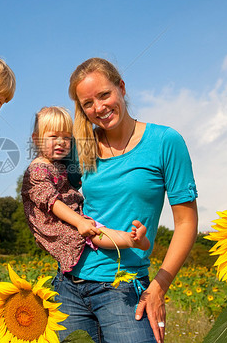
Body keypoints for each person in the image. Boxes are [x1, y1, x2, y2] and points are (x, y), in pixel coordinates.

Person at [53, 58, 198, 343]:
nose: (99, 108)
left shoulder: (165, 141)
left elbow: (186, 223)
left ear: (121, 87)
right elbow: (47, 192)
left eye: (104, 95)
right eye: (88, 103)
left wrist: (159, 287)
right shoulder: (81, 148)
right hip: (68, 288)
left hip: (122, 288)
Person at [21, 106, 150, 274]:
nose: (61, 142)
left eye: (66, 138)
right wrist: (79, 221)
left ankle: (131, 239)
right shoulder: (38, 170)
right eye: (53, 136)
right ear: (36, 139)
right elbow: (53, 203)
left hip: (69, 213)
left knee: (97, 229)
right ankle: (130, 240)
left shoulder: (58, 164)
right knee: (93, 232)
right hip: (55, 221)